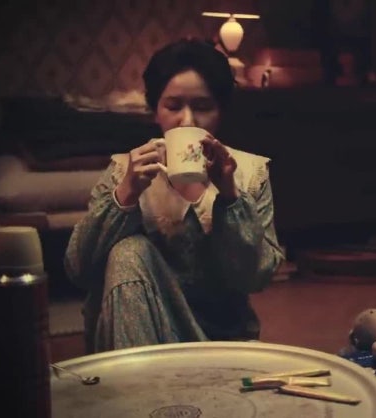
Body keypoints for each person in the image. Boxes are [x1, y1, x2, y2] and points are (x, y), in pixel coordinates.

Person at [64, 38, 285, 353]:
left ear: (221, 111)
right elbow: (78, 270)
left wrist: (230, 196)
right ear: (155, 111)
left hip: (220, 339)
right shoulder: (125, 171)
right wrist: (126, 194)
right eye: (173, 106)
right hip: (143, 336)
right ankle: (141, 380)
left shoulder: (248, 173)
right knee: (129, 252)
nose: (188, 121)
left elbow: (255, 278)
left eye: (203, 107)